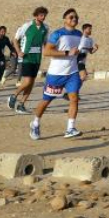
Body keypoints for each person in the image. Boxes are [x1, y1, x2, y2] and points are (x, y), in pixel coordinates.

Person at [30, 8, 85, 140]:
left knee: (74, 98)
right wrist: (66, 53)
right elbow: (47, 52)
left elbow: (80, 53)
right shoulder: (57, 34)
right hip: (56, 74)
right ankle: (35, 122)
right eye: (71, 17)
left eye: (76, 17)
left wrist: (82, 68)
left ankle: (70, 128)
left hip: (72, 73)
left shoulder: (79, 34)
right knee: (47, 100)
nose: (74, 19)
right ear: (65, 19)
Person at [10, 7, 49, 113]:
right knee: (27, 81)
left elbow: (45, 42)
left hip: (37, 59)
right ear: (36, 15)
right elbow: (15, 39)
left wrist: (48, 51)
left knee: (31, 83)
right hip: (26, 58)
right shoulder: (27, 26)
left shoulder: (45, 28)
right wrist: (19, 52)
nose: (43, 17)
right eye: (41, 15)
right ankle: (13, 96)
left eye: (44, 15)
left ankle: (21, 105)